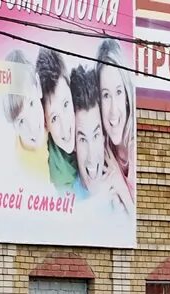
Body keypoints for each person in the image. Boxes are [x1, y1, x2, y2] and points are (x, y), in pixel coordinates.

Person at [68, 64, 134, 216]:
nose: (92, 156)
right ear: (74, 144)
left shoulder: (117, 193)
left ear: (104, 137)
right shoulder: (65, 195)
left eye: (96, 135)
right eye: (83, 139)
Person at [35, 48, 85, 198]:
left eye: (65, 104)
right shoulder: (51, 173)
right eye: (54, 118)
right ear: (45, 124)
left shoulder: (90, 116)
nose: (65, 128)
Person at [96, 39, 136, 202]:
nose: (113, 110)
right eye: (106, 95)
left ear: (127, 96)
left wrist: (119, 183)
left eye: (119, 92)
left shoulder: (135, 148)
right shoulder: (103, 151)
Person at [1, 49, 48, 186]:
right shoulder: (18, 164)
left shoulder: (58, 127)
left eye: (32, 104)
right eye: (21, 121)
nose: (32, 127)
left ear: (38, 87)